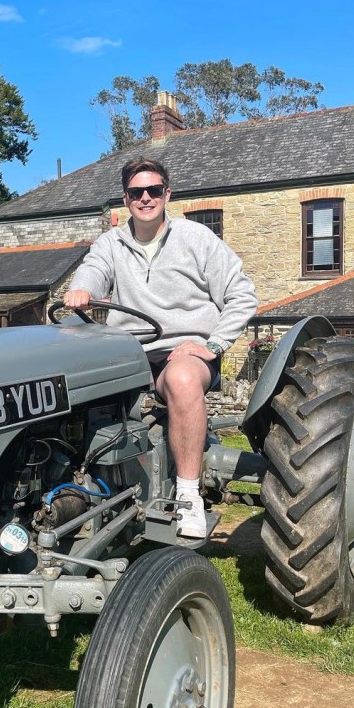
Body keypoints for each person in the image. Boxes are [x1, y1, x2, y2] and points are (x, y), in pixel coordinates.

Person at [63, 157, 257, 538]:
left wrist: (214, 344)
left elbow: (242, 295)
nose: (146, 198)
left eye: (154, 190)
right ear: (126, 198)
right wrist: (81, 289)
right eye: (137, 192)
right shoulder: (112, 242)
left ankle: (187, 498)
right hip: (127, 353)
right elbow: (94, 270)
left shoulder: (195, 238)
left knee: (183, 378)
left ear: (167, 194)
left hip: (183, 350)